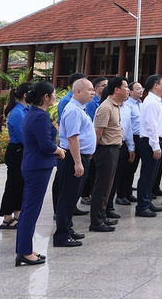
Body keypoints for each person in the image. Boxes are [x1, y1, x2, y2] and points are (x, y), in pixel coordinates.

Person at [16, 82, 65, 266]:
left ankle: (25, 248)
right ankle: (24, 251)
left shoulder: (35, 114)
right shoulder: (39, 117)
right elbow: (45, 144)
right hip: (37, 166)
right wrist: (58, 150)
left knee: (30, 208)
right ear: (46, 97)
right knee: (31, 209)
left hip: (35, 165)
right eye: (53, 94)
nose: (55, 97)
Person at [53, 78, 96, 247]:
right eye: (89, 90)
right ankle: (62, 235)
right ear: (78, 91)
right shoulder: (73, 110)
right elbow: (72, 138)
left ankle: (68, 228)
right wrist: (78, 162)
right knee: (67, 197)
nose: (92, 92)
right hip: (72, 157)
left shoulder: (80, 109)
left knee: (73, 196)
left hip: (80, 156)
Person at [89, 77, 129, 233]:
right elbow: (98, 132)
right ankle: (96, 221)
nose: (128, 90)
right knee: (101, 186)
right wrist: (93, 152)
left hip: (114, 149)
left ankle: (102, 215)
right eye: (125, 87)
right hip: (105, 150)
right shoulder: (106, 107)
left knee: (108, 186)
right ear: (117, 90)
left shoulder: (116, 106)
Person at [0, 81, 32, 230]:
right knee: (13, 183)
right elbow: (23, 136)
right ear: (26, 95)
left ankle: (18, 213)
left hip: (23, 150)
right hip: (17, 150)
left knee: (21, 183)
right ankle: (7, 217)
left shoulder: (26, 110)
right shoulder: (17, 113)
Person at [135, 75, 162, 217]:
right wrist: (155, 145)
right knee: (147, 175)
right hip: (150, 142)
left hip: (155, 141)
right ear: (156, 85)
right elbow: (151, 126)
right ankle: (142, 205)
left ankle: (147, 201)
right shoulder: (150, 102)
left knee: (152, 174)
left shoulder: (156, 101)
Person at [79, 77, 109, 207]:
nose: (106, 87)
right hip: (91, 142)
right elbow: (93, 123)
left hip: (95, 142)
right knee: (90, 171)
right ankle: (86, 195)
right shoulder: (92, 103)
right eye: (103, 85)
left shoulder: (101, 102)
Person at [114, 82, 143, 205]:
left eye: (142, 88)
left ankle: (128, 192)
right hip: (128, 138)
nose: (141, 90)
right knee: (125, 168)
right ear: (131, 91)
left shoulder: (141, 104)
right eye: (138, 88)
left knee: (132, 168)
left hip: (137, 138)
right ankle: (120, 194)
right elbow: (126, 125)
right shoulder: (126, 105)